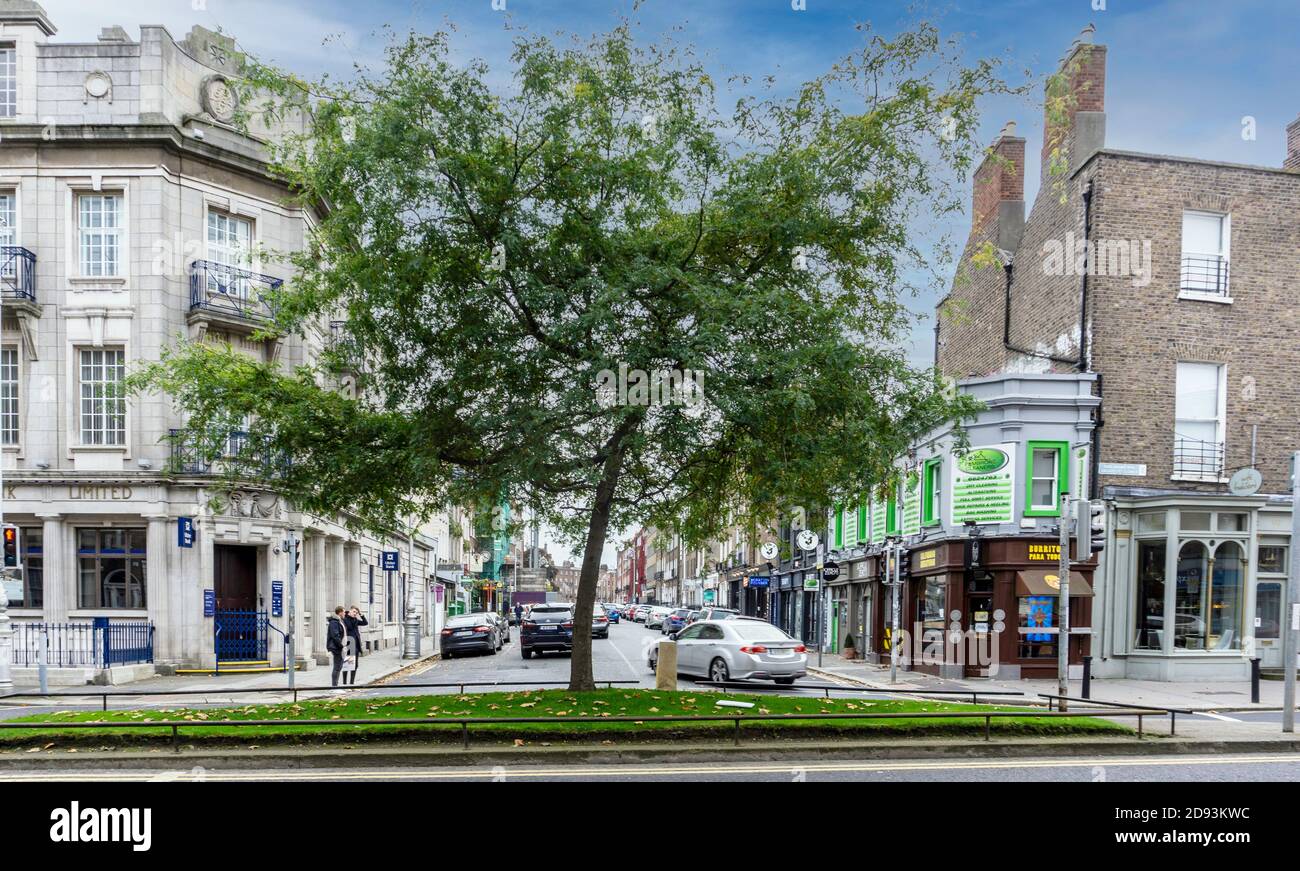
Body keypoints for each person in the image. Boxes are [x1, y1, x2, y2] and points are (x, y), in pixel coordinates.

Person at [342, 606, 368, 685]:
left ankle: (351, 683)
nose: (355, 614)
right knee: (347, 664)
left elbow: (365, 623)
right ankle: (345, 683)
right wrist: (351, 616)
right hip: (349, 643)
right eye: (354, 612)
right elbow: (349, 626)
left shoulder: (355, 619)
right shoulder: (345, 619)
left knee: (355, 665)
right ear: (350, 611)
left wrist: (361, 615)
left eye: (356, 613)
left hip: (356, 644)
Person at [326, 606, 348, 688]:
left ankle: (335, 685)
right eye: (344, 612)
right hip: (337, 647)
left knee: (339, 666)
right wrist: (341, 645)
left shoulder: (340, 621)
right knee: (337, 667)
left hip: (341, 647)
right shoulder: (334, 622)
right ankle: (334, 686)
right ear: (340, 612)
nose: (345, 613)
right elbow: (335, 635)